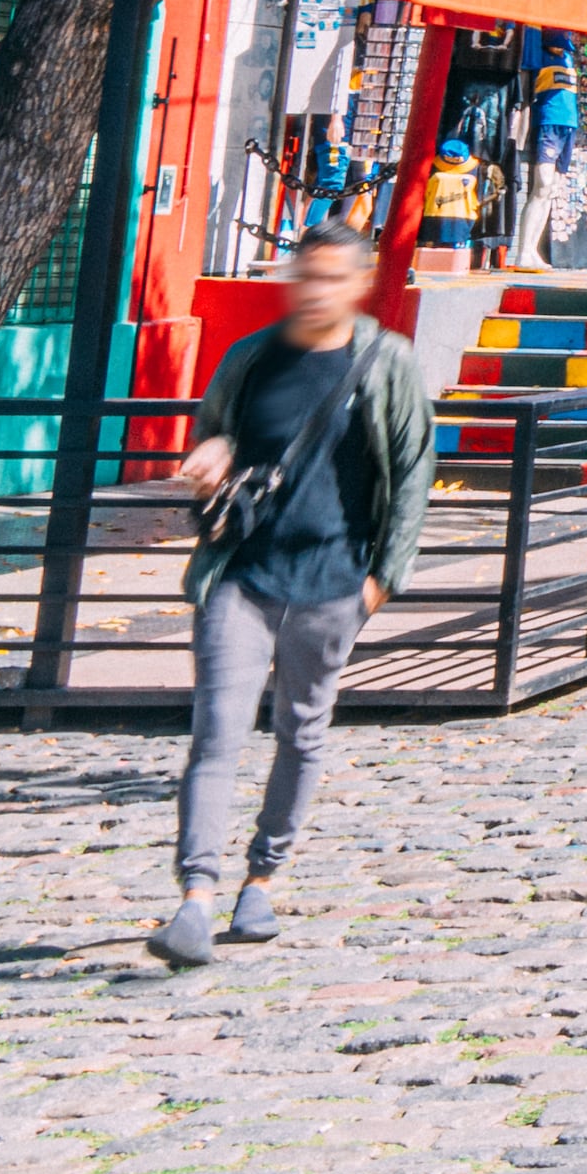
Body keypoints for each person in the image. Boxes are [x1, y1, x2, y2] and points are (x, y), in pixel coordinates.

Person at [152, 225, 432, 968]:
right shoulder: (251, 357)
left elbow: (411, 475)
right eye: (305, 275)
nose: (314, 290)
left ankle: (262, 876)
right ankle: (196, 896)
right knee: (216, 731)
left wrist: (381, 580)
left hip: (335, 581)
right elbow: (214, 438)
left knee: (301, 733)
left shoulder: (385, 362)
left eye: (332, 278)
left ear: (360, 283)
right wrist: (210, 461)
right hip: (241, 573)